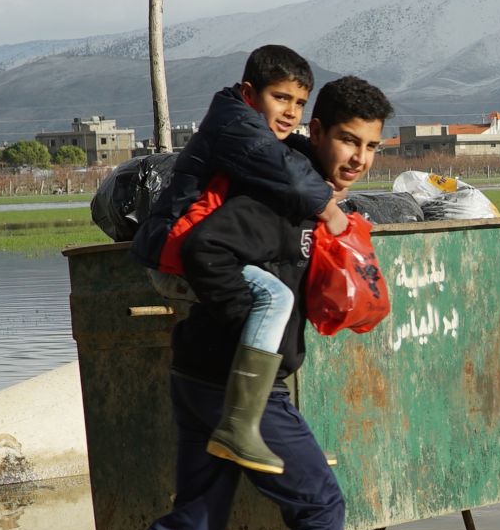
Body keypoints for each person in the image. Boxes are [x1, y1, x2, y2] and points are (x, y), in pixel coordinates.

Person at [15, 75, 402, 530]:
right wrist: (243, 318)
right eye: (346, 140)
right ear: (317, 134)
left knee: (194, 523)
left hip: (196, 376)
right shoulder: (282, 194)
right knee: (319, 505)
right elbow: (204, 247)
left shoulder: (306, 197)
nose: (359, 157)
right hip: (235, 385)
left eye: (371, 146)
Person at [131, 44, 350, 476]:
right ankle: (240, 427)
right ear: (250, 93)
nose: (291, 112)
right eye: (280, 98)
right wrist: (328, 204)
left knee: (272, 320)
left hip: (211, 254)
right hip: (177, 253)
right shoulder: (235, 124)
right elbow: (284, 171)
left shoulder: (255, 125)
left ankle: (275, 437)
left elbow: (294, 157)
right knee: (274, 301)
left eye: (300, 103)